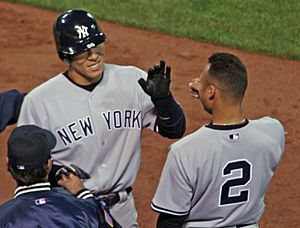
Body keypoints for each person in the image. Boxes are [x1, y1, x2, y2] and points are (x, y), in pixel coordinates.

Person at [17, 9, 186, 227]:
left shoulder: (132, 80)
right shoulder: (40, 101)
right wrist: (57, 176)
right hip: (68, 212)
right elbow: (29, 167)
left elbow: (174, 129)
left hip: (121, 210)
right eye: (82, 51)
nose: (93, 56)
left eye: (96, 45)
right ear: (65, 56)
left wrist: (165, 101)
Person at [151, 52, 285, 228]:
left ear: (212, 92)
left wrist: (208, 99)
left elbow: (170, 222)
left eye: (202, 82)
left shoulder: (185, 151)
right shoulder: (273, 132)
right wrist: (209, 97)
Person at [0, 125, 121, 228]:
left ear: (7, 163)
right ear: (49, 163)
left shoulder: (3, 218)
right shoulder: (85, 210)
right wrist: (83, 194)